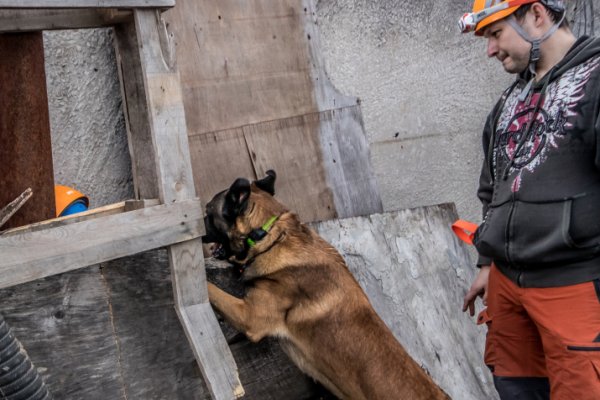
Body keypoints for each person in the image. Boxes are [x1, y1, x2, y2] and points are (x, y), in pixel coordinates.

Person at [458, 1, 600, 399]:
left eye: (495, 34)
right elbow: (492, 188)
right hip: (507, 290)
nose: (490, 50)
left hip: (573, 287)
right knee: (517, 389)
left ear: (536, 15)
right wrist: (487, 262)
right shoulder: (507, 103)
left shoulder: (595, 79)